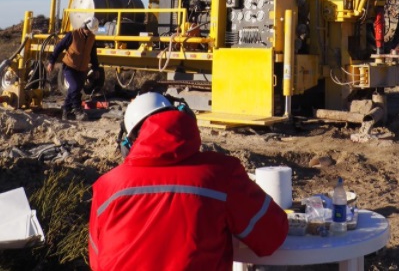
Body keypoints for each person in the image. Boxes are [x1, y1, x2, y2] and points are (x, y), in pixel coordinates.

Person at [89, 92, 289, 271]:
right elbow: (271, 237)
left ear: (128, 144)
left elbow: (97, 263)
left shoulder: (106, 186)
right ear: (185, 118)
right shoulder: (222, 174)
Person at [46, 17, 100, 121]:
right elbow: (59, 47)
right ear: (85, 26)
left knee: (75, 89)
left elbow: (93, 55)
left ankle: (66, 110)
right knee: (74, 87)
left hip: (82, 69)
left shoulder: (92, 38)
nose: (90, 32)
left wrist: (96, 68)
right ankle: (77, 110)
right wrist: (52, 61)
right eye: (89, 30)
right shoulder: (72, 35)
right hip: (69, 67)